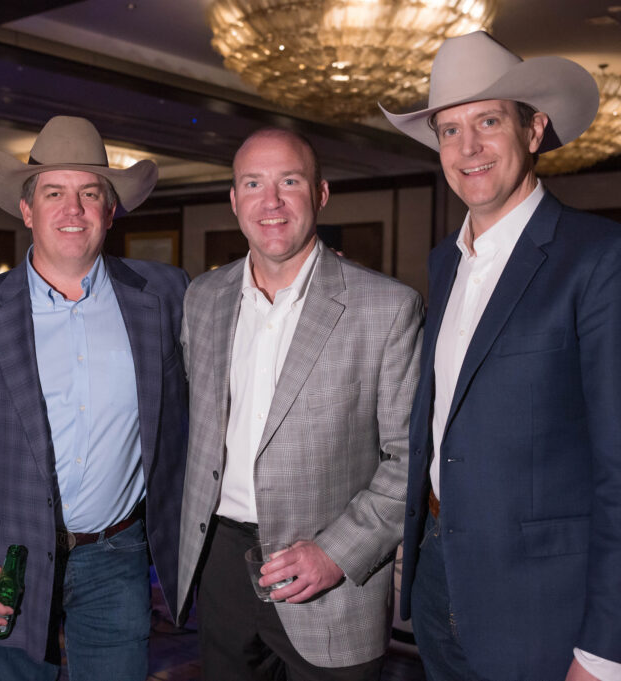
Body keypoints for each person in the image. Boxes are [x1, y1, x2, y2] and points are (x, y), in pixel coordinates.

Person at [380, 31, 621, 681]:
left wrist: (609, 654)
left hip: (549, 617)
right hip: (440, 593)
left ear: (535, 129)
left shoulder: (605, 261)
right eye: (449, 130)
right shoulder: (444, 262)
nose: (468, 148)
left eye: (488, 121)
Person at [0, 115, 188, 681]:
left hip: (117, 556)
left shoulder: (166, 295)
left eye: (89, 193)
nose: (73, 210)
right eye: (53, 193)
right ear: (27, 210)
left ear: (110, 209)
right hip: (8, 559)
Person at [176, 128, 424, 680]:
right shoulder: (203, 298)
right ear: (234, 200)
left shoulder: (387, 307)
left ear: (320, 194)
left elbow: (411, 458)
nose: (272, 201)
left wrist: (338, 552)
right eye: (253, 184)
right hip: (221, 563)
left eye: (289, 181)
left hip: (330, 581)